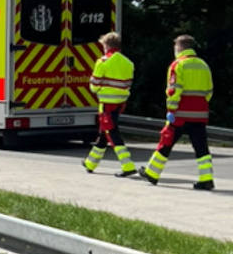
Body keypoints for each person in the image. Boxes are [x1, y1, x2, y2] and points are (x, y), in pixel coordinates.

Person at [139, 35, 216, 190]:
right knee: (201, 147)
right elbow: (209, 92)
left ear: (179, 48)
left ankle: (152, 173)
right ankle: (207, 179)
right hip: (200, 114)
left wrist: (171, 110)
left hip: (180, 114)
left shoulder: (178, 65)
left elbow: (174, 91)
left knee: (166, 142)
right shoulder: (203, 65)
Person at [83, 32, 136, 177]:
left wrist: (98, 88)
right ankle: (90, 162)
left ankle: (128, 165)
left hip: (107, 103)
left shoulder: (103, 61)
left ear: (106, 46)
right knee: (103, 134)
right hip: (120, 103)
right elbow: (127, 84)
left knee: (112, 133)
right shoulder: (128, 62)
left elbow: (94, 85)